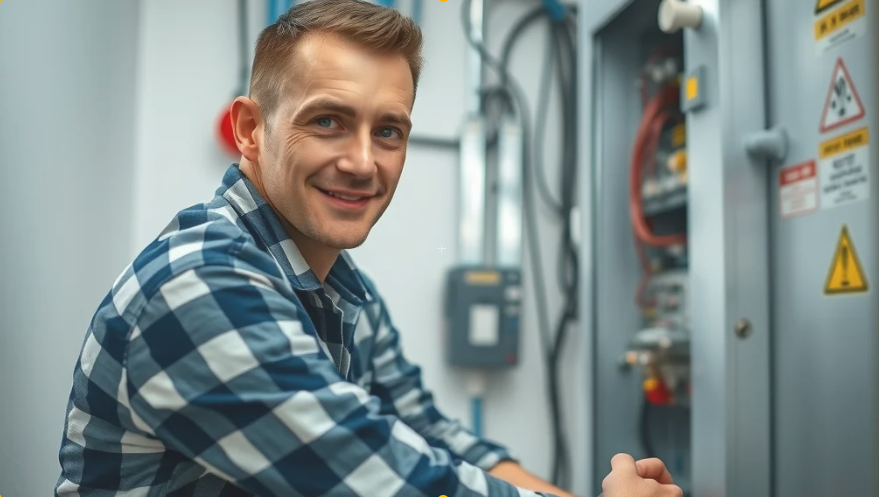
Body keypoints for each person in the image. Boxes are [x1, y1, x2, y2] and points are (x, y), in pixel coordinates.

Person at [55, 1, 683, 496]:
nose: (362, 163)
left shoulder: (339, 286)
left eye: (388, 131)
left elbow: (427, 434)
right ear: (250, 130)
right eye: (328, 120)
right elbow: (379, 480)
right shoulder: (199, 285)